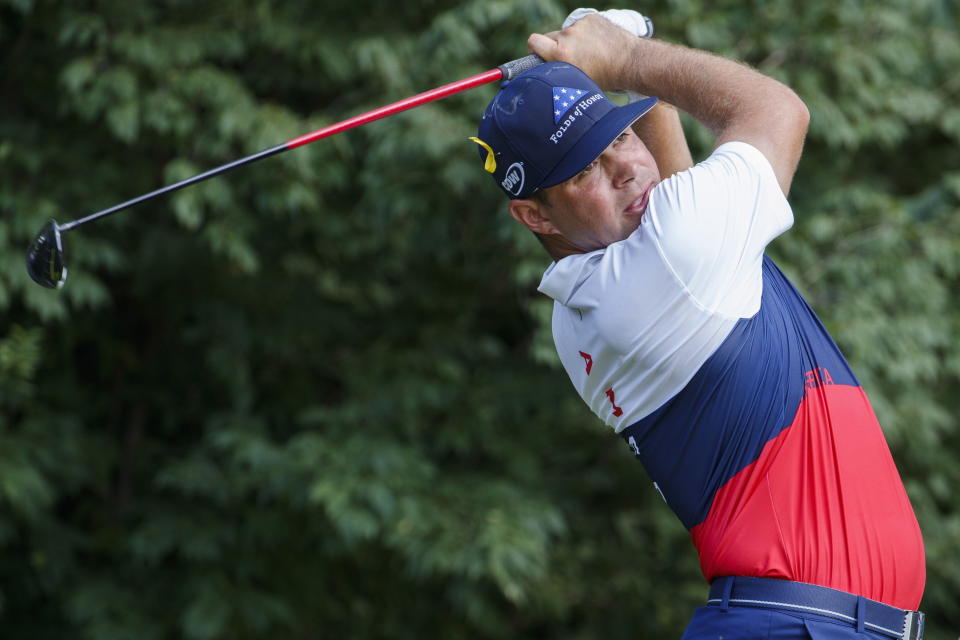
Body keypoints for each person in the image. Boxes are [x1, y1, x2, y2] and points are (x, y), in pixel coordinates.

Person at [472, 10, 926, 640]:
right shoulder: (673, 257)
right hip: (796, 625)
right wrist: (627, 55)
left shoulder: (582, 312)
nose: (624, 168)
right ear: (534, 215)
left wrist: (633, 61)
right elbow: (780, 111)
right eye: (583, 172)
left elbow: (676, 199)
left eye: (621, 137)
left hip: (790, 622)